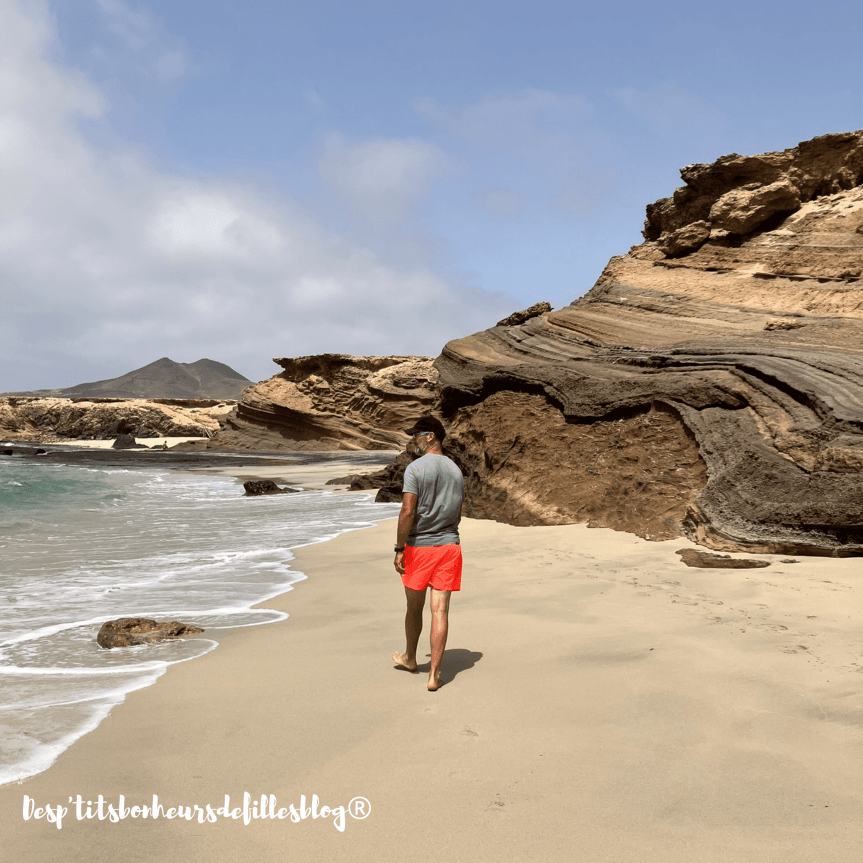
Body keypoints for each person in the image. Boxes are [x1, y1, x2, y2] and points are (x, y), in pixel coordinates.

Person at [392, 415, 464, 691]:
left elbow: (407, 511)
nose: (414, 440)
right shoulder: (456, 470)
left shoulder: (415, 468)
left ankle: (411, 658)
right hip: (449, 547)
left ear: (431, 436)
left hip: (419, 547)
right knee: (440, 611)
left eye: (417, 434)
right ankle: (434, 675)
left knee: (414, 607)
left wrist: (400, 548)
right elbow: (458, 512)